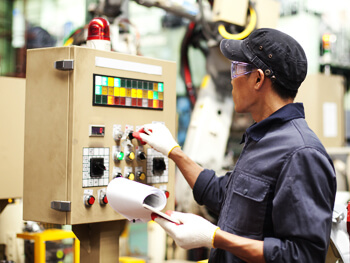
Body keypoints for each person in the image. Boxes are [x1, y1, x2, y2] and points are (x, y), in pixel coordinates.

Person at [137, 28, 337, 262]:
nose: (232, 81)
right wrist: (174, 152)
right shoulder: (262, 139)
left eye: (237, 69)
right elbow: (225, 196)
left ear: (258, 79)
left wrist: (214, 237)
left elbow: (302, 256)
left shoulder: (301, 153)